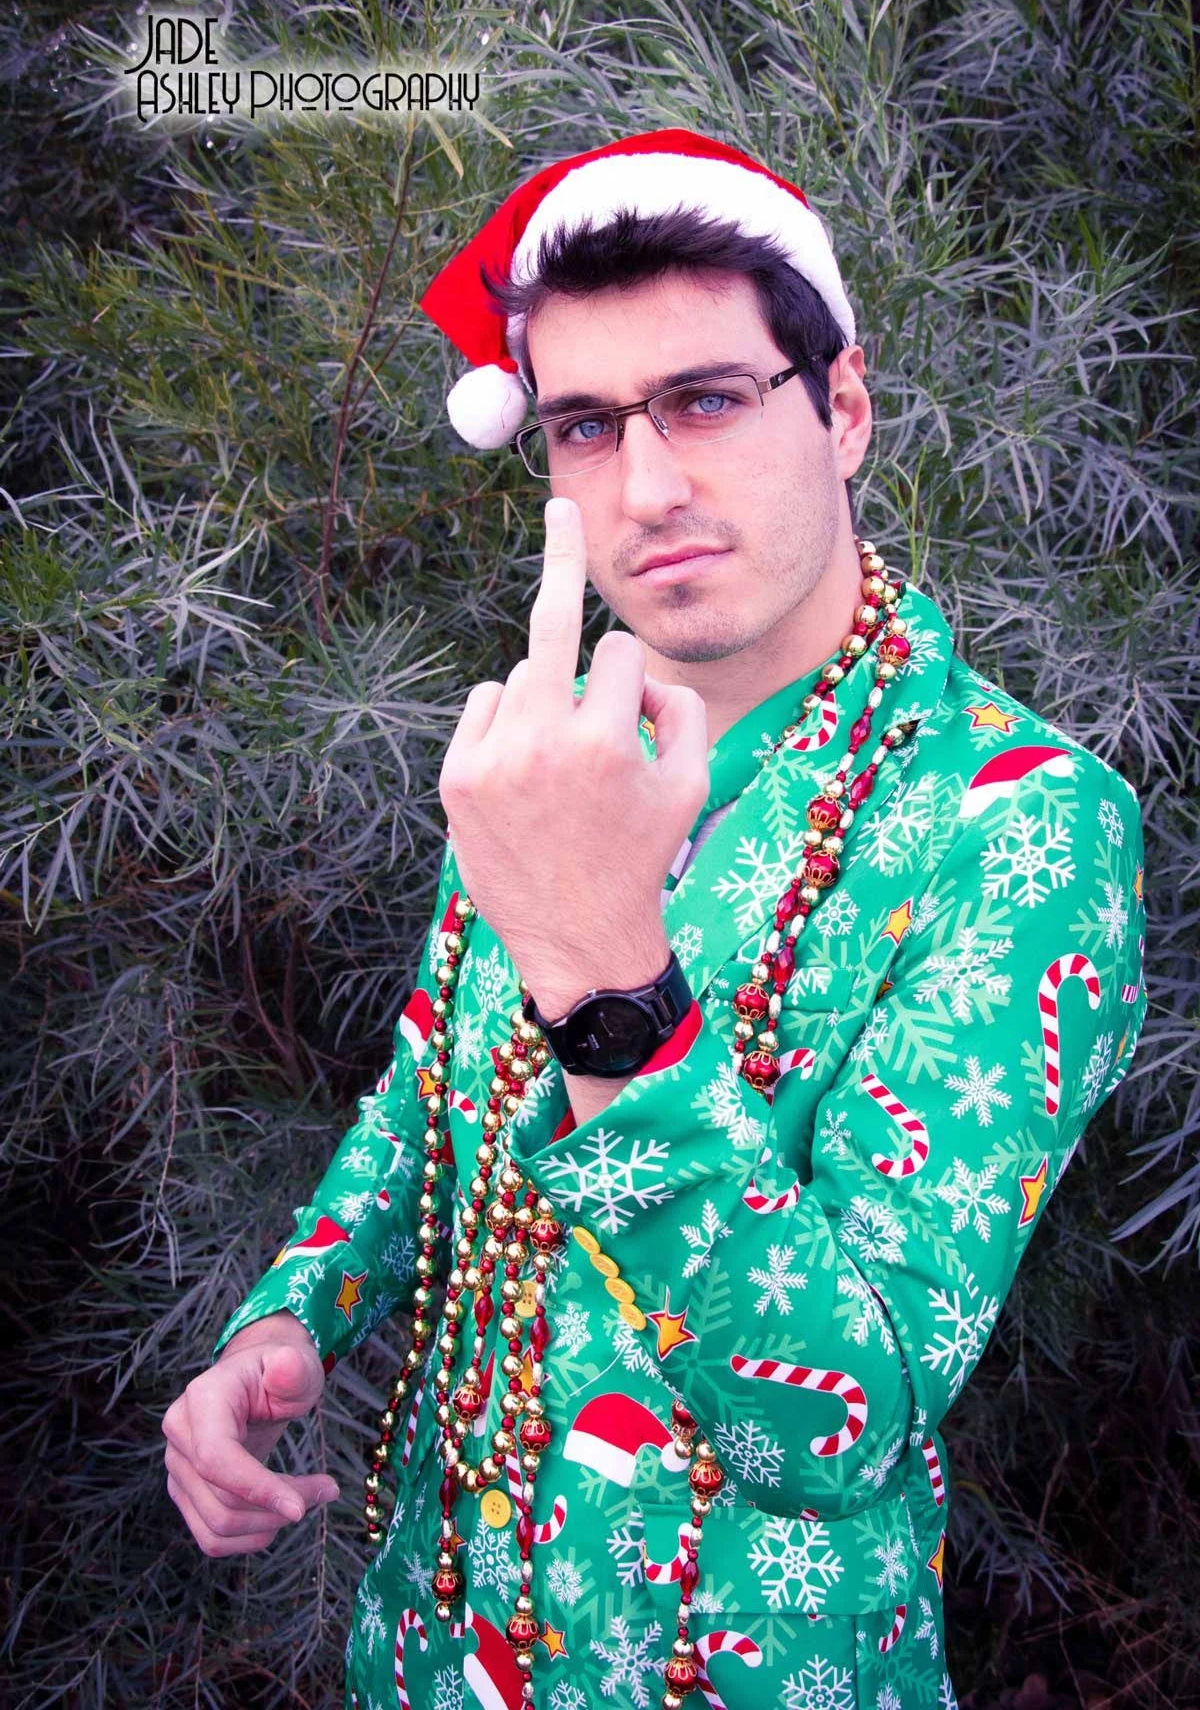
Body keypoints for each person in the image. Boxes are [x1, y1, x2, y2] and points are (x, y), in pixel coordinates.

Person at [162, 128, 1148, 1710]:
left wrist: (609, 988)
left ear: (842, 407)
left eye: (706, 399)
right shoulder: (547, 752)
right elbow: (429, 1087)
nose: (649, 486)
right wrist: (285, 1322)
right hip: (432, 1653)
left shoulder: (1018, 820)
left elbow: (833, 1425)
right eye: (585, 427)